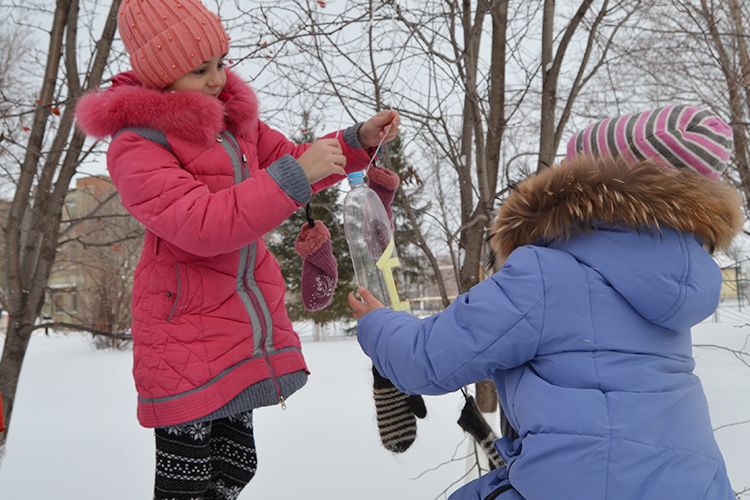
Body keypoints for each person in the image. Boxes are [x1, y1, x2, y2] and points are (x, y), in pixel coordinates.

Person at [75, 1, 399, 498]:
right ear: (160, 76)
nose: (216, 79)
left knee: (235, 470)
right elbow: (203, 224)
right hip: (185, 333)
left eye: (221, 63)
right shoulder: (137, 145)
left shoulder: (235, 123)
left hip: (237, 328)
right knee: (187, 485)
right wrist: (296, 174)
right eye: (199, 70)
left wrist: (354, 142)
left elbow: (293, 162)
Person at [349, 104, 739, 499]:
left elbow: (426, 360)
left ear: (578, 186)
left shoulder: (548, 273)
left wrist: (376, 322)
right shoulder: (671, 278)